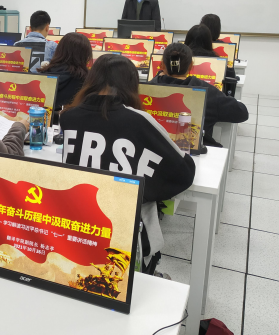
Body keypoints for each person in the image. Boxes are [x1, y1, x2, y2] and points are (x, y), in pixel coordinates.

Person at [60, 54, 196, 276]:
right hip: (131, 238)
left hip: (80, 228)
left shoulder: (68, 117)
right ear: (131, 84)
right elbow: (184, 172)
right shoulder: (139, 120)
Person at [150, 43, 249, 146]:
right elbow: (242, 113)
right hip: (191, 151)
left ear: (162, 65)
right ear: (191, 66)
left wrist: (157, 77)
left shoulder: (147, 89)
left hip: (154, 147)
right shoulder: (207, 92)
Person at [38, 32, 92, 112]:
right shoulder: (87, 80)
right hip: (71, 119)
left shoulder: (43, 74)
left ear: (59, 50)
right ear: (85, 55)